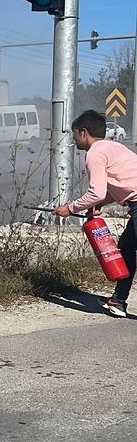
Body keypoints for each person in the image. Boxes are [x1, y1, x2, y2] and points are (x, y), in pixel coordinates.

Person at [54, 109, 137, 317]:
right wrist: (101, 202)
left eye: (74, 135)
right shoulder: (113, 146)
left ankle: (119, 300)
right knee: (126, 249)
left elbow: (96, 191)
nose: (74, 140)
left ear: (84, 132)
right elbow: (122, 184)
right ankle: (118, 301)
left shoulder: (94, 153)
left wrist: (70, 208)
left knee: (127, 250)